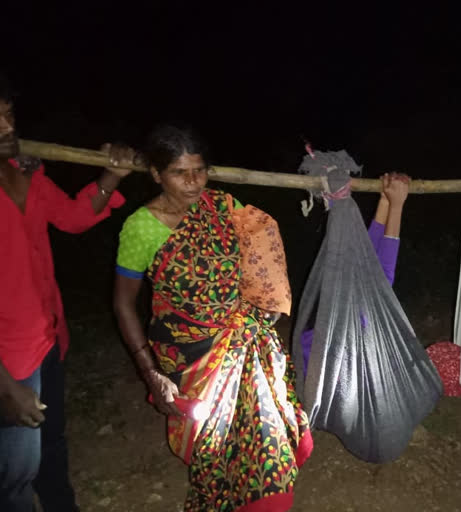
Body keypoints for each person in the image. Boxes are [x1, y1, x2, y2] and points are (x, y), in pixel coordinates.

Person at [0, 60, 132, 511]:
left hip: (49, 337)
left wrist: (111, 178)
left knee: (53, 452)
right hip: (6, 358)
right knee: (14, 477)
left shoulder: (22, 167)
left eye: (9, 114)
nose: (6, 126)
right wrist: (4, 386)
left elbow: (71, 217)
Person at [112, 125, 312, 511]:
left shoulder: (222, 206)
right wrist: (149, 371)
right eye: (179, 172)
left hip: (242, 344)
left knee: (264, 435)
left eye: (199, 170)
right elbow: (123, 304)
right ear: (156, 174)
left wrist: (266, 297)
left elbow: (261, 235)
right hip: (189, 353)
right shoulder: (141, 228)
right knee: (212, 441)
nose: (192, 182)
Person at [298, 172, 410, 378]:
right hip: (350, 393)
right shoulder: (353, 321)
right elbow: (383, 274)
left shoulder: (323, 313)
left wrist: (385, 202)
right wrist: (396, 206)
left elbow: (366, 257)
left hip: (325, 391)